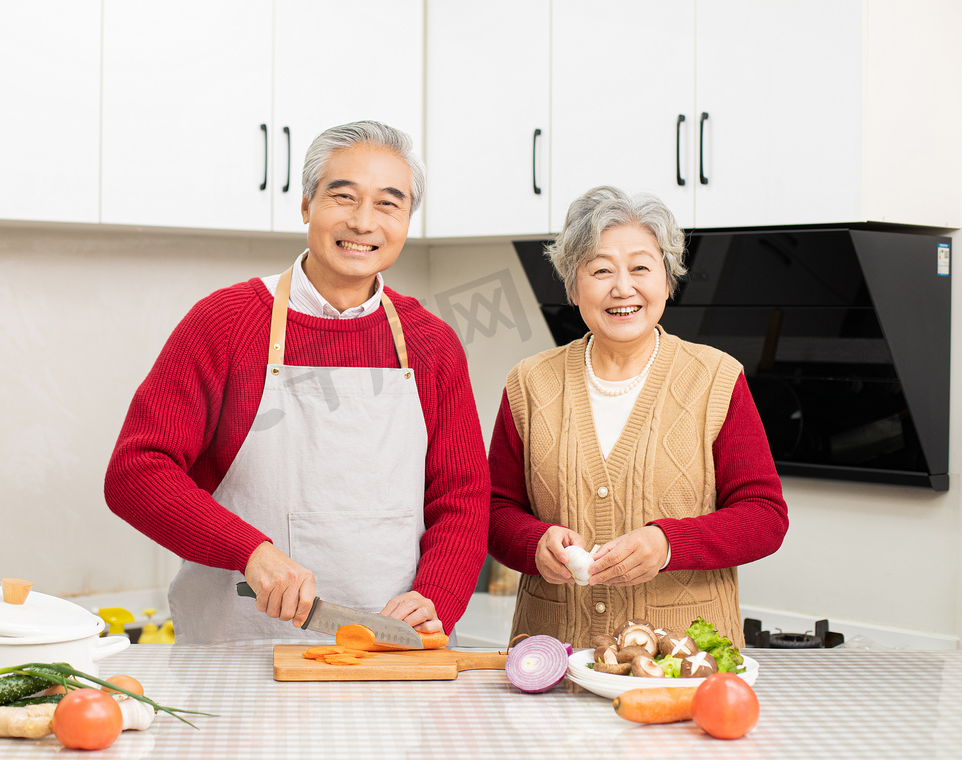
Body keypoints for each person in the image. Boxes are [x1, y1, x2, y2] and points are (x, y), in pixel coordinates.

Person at [106, 121, 489, 645]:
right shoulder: (226, 323)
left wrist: (436, 598)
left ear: (406, 221)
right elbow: (136, 473)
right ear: (307, 204)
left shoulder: (432, 343)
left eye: (387, 204)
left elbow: (463, 499)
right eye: (343, 196)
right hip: (238, 652)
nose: (362, 222)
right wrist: (250, 551)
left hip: (388, 654)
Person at [487, 186, 788, 649]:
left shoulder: (716, 379)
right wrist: (534, 542)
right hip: (554, 659)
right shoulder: (529, 384)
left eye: (641, 268)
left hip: (683, 665)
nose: (622, 288)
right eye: (601, 269)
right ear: (573, 285)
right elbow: (492, 510)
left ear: (667, 279)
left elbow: (765, 517)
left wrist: (668, 545)